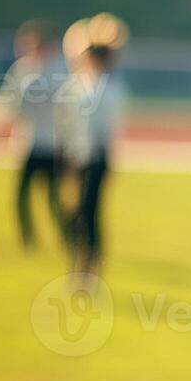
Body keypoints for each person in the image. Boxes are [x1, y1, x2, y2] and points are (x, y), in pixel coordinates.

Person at [60, 15, 128, 280]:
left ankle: (90, 265)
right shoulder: (81, 85)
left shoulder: (108, 88)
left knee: (88, 213)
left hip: (96, 159)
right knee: (75, 212)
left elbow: (103, 129)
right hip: (77, 157)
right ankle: (81, 261)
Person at [2, 19, 69, 251]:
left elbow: (68, 108)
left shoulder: (61, 69)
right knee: (22, 196)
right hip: (29, 142)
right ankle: (28, 240)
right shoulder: (22, 69)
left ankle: (66, 238)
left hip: (53, 143)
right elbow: (13, 106)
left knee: (54, 198)